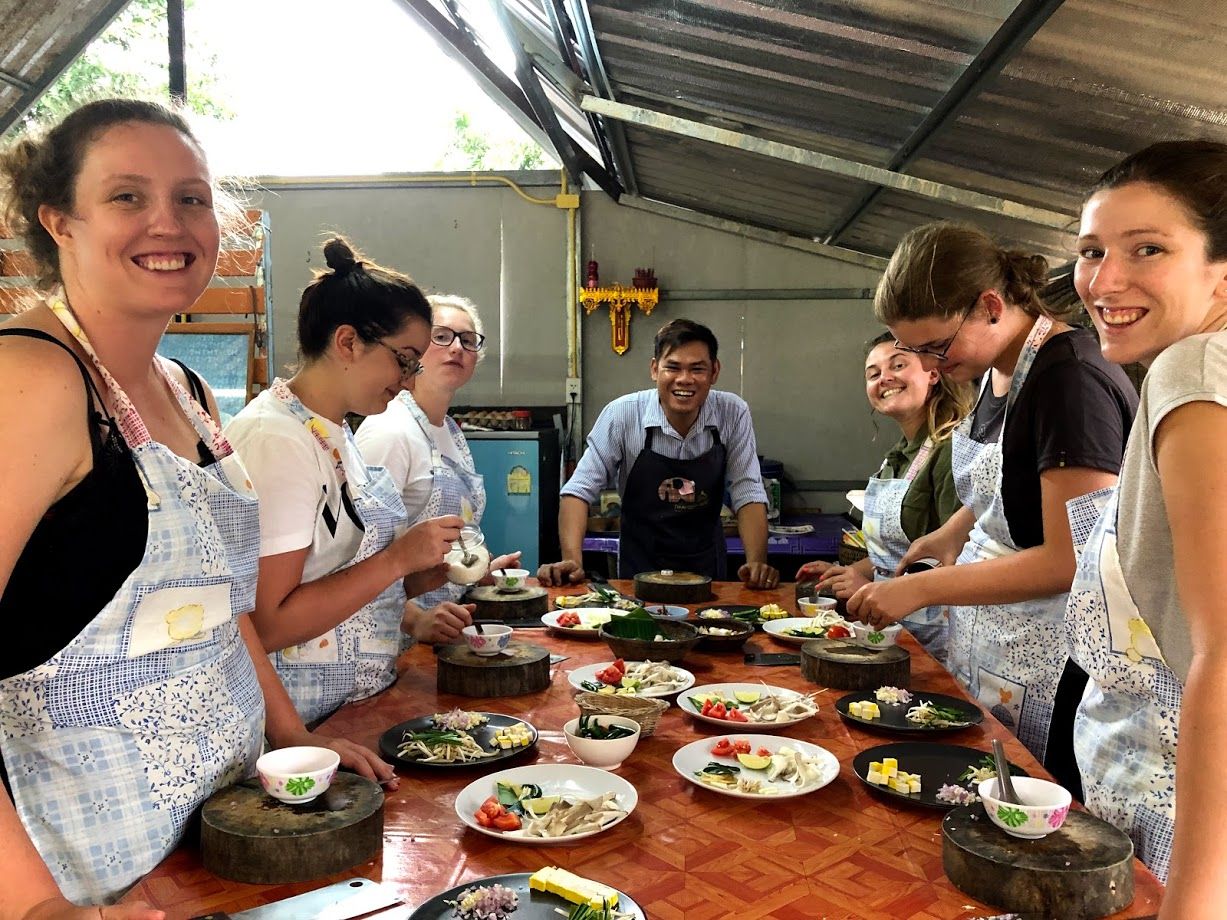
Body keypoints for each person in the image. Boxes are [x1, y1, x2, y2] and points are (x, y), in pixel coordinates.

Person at [0, 100, 389, 919]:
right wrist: (35, 906)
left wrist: (291, 736)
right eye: (127, 196)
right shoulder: (29, 381)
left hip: (221, 832)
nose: (168, 224)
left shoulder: (189, 391)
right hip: (87, 876)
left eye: (192, 198)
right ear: (58, 221)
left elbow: (223, 609)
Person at [846, 222, 1137, 780]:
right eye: (916, 350)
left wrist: (922, 588)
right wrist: (953, 531)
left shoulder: (1068, 382)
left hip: (1054, 654)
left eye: (936, 347)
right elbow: (1013, 483)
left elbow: (1071, 559)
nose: (930, 366)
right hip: (996, 641)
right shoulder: (996, 369)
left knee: (1031, 794)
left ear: (990, 306)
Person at [1064, 141, 1227, 902]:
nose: (1103, 281)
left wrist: (1194, 901)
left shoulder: (1193, 370)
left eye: (1148, 249)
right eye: (1091, 251)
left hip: (1186, 829)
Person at [225, 237, 462, 726]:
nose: (409, 378)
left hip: (351, 703)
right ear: (348, 342)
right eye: (404, 359)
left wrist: (414, 578)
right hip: (301, 723)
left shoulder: (331, 430)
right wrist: (396, 559)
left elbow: (333, 578)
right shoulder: (276, 439)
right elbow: (267, 624)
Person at [537, 318, 779, 588]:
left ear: (714, 371)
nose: (684, 379)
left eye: (697, 369)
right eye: (672, 367)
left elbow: (748, 491)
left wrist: (757, 562)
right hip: (637, 568)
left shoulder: (733, 413)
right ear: (654, 369)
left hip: (707, 570)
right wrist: (572, 560)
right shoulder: (622, 415)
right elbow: (578, 491)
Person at [797, 332, 971, 661]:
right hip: (893, 628)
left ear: (933, 372)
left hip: (937, 636)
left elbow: (962, 560)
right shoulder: (898, 456)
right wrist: (852, 571)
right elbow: (899, 555)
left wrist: (870, 589)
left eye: (898, 365)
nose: (884, 378)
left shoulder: (951, 450)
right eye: (873, 373)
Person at [356, 293, 520, 629]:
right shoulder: (389, 431)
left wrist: (477, 572)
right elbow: (354, 563)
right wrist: (415, 621)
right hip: (393, 636)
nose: (457, 348)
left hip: (447, 626)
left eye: (468, 340)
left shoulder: (450, 432)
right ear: (413, 349)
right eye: (442, 336)